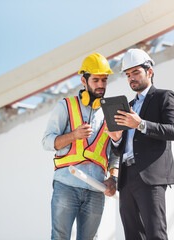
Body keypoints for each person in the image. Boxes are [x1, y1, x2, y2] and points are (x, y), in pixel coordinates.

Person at [42, 53, 119, 240]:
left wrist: (113, 178)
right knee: (60, 237)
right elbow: (47, 142)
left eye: (104, 80)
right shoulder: (66, 106)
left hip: (96, 189)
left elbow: (115, 151)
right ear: (84, 81)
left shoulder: (112, 111)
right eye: (95, 80)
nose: (101, 85)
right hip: (66, 184)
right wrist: (74, 135)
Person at [106, 48, 174, 240]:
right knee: (133, 236)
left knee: (155, 234)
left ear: (150, 71)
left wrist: (140, 124)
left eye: (136, 72)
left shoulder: (164, 97)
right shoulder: (128, 106)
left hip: (150, 176)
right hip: (126, 178)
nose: (132, 78)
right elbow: (123, 146)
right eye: (128, 75)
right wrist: (116, 139)